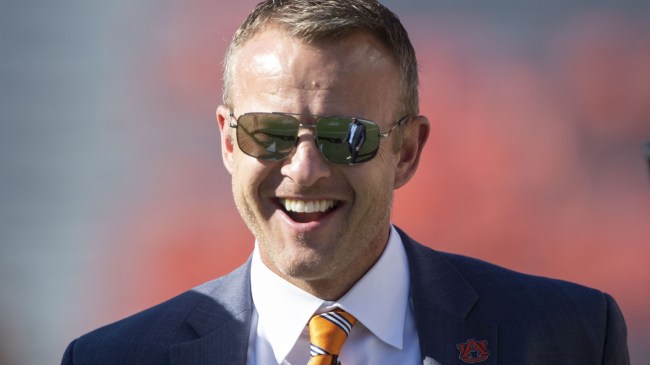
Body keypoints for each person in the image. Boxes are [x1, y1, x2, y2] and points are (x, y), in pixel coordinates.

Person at [61, 1, 630, 364]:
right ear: (229, 141)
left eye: (348, 136)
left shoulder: (570, 336)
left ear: (407, 151)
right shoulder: (113, 356)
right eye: (270, 132)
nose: (304, 169)